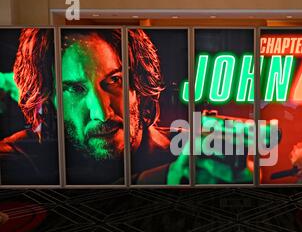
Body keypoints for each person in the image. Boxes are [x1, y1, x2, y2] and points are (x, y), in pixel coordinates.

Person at [1, 28, 249, 185]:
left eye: (115, 81)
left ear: (139, 86)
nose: (101, 112)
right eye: (74, 89)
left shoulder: (186, 150)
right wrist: (162, 181)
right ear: (48, 100)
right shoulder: (15, 159)